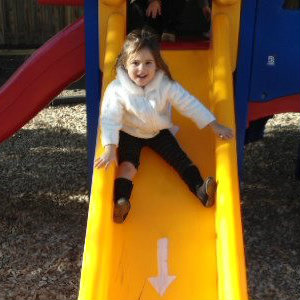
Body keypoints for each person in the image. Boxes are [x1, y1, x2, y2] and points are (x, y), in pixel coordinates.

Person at [95, 29, 234, 223]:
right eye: (135, 63)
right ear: (125, 64)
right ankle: (121, 202)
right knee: (127, 166)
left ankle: (202, 192)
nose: (141, 69)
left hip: (158, 131)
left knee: (181, 160)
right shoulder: (117, 89)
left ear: (156, 64)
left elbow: (188, 103)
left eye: (148, 63)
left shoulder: (164, 85)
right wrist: (110, 148)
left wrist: (214, 124)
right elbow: (109, 117)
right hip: (129, 133)